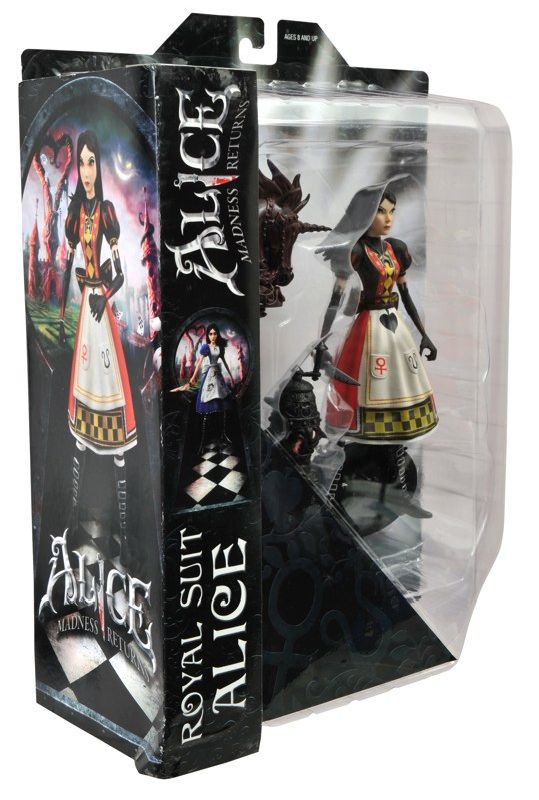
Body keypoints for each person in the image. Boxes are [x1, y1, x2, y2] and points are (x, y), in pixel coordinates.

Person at [59, 130, 136, 558]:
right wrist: (64, 311)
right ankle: (73, 522)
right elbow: (65, 265)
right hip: (85, 319)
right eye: (82, 163)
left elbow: (119, 273)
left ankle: (124, 533)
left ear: (98, 166)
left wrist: (104, 296)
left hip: (100, 312)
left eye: (92, 162)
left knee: (113, 419)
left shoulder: (106, 212)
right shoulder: (75, 215)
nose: (87, 171)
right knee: (79, 428)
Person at [326, 189, 438, 443]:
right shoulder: (356, 251)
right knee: (370, 374)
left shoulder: (396, 249)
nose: (388, 218)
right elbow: (335, 300)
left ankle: (399, 430)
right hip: (368, 327)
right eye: (381, 211)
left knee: (402, 375)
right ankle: (362, 430)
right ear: (365, 213)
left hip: (395, 326)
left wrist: (424, 335)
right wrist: (321, 341)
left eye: (392, 212)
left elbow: (406, 296)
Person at [172, 324, 235, 452]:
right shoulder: (206, 347)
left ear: (217, 334)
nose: (213, 336)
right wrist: (193, 377)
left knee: (222, 407)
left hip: (218, 376)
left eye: (215, 333)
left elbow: (224, 362)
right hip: (209, 376)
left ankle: (223, 435)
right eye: (210, 334)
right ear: (208, 335)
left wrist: (231, 377)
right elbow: (200, 361)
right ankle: (203, 441)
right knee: (207, 407)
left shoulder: (219, 348)